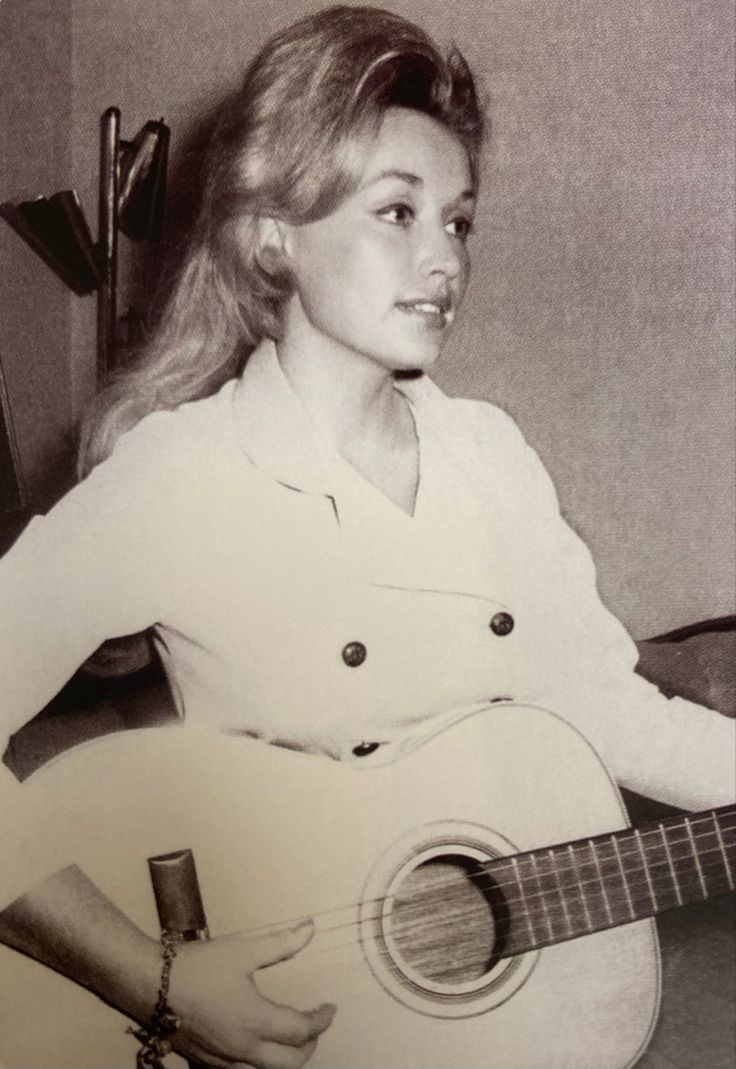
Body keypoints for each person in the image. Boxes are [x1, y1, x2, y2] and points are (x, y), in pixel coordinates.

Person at [0, 5, 733, 1068]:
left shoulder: (488, 453)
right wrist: (154, 978)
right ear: (271, 232)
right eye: (397, 212)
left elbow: (606, 711)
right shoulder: (182, 477)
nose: (442, 258)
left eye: (459, 220)